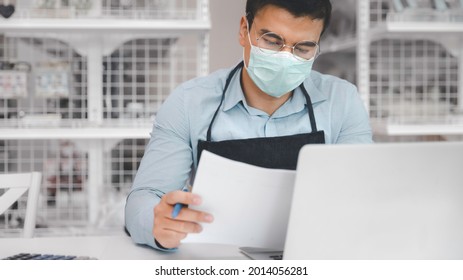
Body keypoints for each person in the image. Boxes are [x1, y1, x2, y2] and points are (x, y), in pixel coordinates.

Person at [125, 0, 372, 250]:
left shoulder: (342, 102)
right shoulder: (188, 104)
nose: (285, 59)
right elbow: (143, 199)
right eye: (272, 41)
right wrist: (157, 223)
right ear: (244, 30)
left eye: (303, 48)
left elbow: (364, 195)